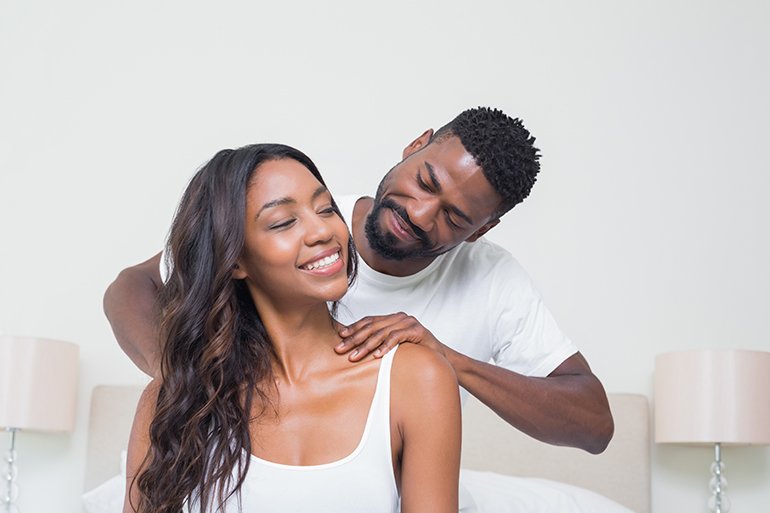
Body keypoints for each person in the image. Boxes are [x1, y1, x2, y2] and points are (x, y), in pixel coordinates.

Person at [105, 107, 613, 457]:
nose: (418, 213)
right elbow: (134, 286)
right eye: (424, 181)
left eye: (454, 218)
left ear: (482, 229)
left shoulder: (492, 281)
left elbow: (593, 423)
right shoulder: (309, 224)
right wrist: (181, 385)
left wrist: (449, 361)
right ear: (417, 145)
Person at [122, 144, 461, 513]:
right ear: (235, 260)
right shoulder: (175, 400)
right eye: (284, 221)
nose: (322, 231)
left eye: (326, 208)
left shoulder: (416, 378)